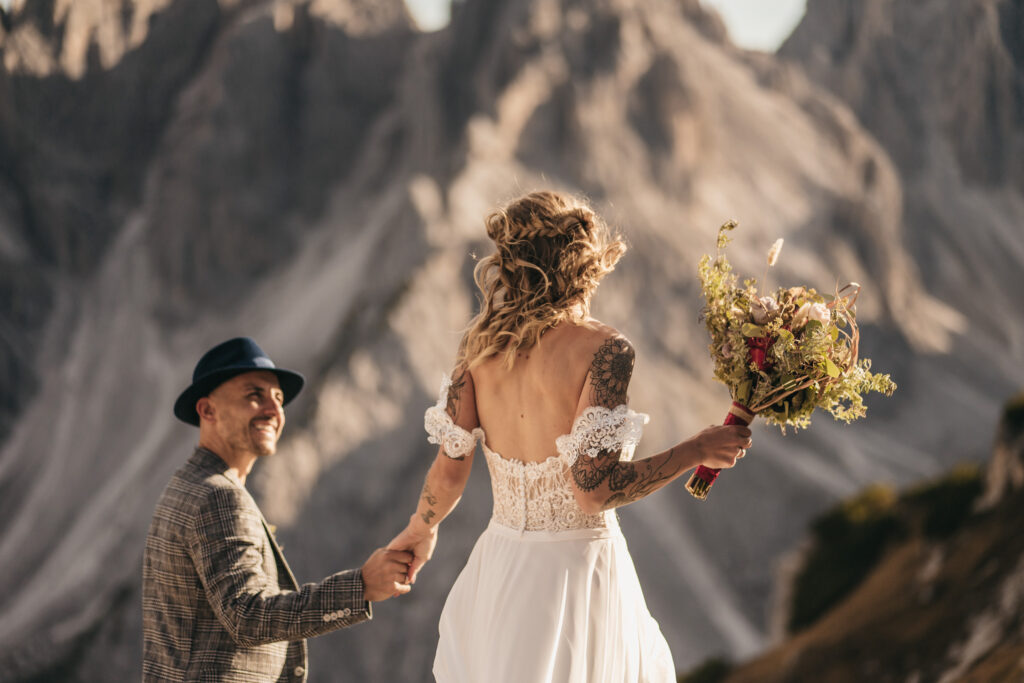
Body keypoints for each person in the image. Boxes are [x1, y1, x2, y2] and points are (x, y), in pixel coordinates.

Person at [387, 191, 753, 682]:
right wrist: (697, 449)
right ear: (584, 263)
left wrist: (421, 528)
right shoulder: (605, 350)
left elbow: (449, 474)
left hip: (500, 569)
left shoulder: (479, 349)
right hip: (575, 574)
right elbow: (593, 490)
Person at [142, 337, 413, 682]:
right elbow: (247, 615)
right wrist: (360, 586)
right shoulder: (219, 497)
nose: (274, 410)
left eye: (279, 398)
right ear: (207, 410)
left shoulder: (186, 485)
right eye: (254, 395)